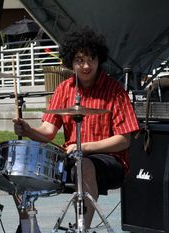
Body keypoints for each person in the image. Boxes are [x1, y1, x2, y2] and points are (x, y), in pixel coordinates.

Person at [13, 26, 139, 229]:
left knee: (84, 165)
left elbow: (124, 139)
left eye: (91, 59)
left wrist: (85, 147)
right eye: (80, 60)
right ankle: (28, 227)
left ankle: (83, 228)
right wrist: (28, 130)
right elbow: (48, 131)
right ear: (71, 61)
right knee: (17, 169)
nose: (86, 65)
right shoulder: (64, 89)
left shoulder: (115, 90)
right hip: (71, 159)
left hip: (110, 161)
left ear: (100, 59)